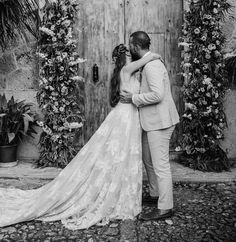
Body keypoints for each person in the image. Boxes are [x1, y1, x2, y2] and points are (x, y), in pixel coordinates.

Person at [0, 44, 161, 230]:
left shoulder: (128, 71)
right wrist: (154, 55)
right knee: (119, 151)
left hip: (129, 115)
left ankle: (120, 189)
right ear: (123, 57)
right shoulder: (127, 69)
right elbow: (145, 59)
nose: (131, 54)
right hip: (125, 117)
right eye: (127, 53)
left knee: (122, 154)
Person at [120, 31, 179, 221]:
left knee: (161, 165)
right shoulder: (147, 63)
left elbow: (157, 95)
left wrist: (133, 98)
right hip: (151, 122)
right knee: (148, 160)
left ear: (136, 46)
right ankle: (155, 195)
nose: (129, 49)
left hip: (160, 122)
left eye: (131, 45)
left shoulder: (152, 66)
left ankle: (165, 207)